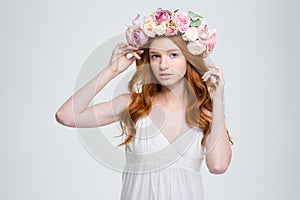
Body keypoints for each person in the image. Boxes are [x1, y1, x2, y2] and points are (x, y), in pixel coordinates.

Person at [56, 8, 233, 200]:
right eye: (155, 56)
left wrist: (217, 100)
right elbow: (65, 116)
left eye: (173, 55)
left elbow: (218, 166)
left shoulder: (205, 114)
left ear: (189, 60)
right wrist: (112, 70)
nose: (163, 65)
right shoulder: (134, 104)